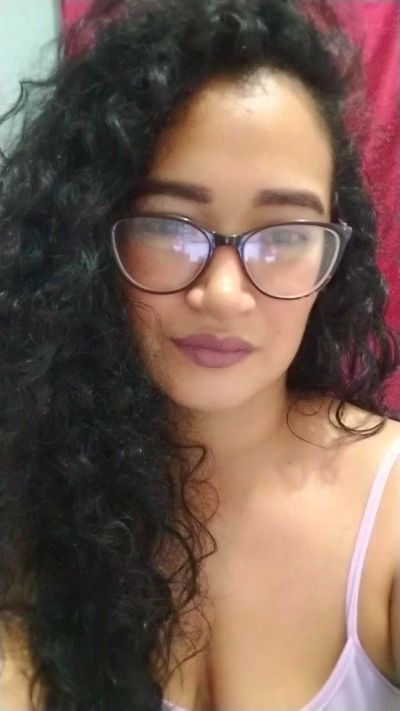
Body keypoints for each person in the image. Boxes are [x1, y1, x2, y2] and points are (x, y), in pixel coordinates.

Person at [0, 1, 399, 710]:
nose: (223, 294)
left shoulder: (389, 510)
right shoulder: (32, 495)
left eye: (284, 234)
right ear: (92, 236)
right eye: (170, 226)